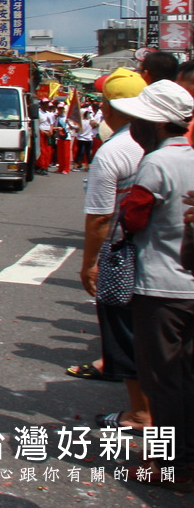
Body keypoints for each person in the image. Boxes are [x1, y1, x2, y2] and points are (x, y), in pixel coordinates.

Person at [114, 79, 194, 487]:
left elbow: (134, 218)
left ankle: (169, 465)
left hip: (160, 287)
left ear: (158, 125)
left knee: (161, 382)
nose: (135, 127)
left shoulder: (157, 164)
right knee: (187, 378)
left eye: (141, 120)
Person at [71, 69, 150, 436]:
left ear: (111, 108)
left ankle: (140, 412)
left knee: (124, 332)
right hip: (166, 255)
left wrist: (89, 265)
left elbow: (101, 218)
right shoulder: (164, 143)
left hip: (124, 255)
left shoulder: (114, 151)